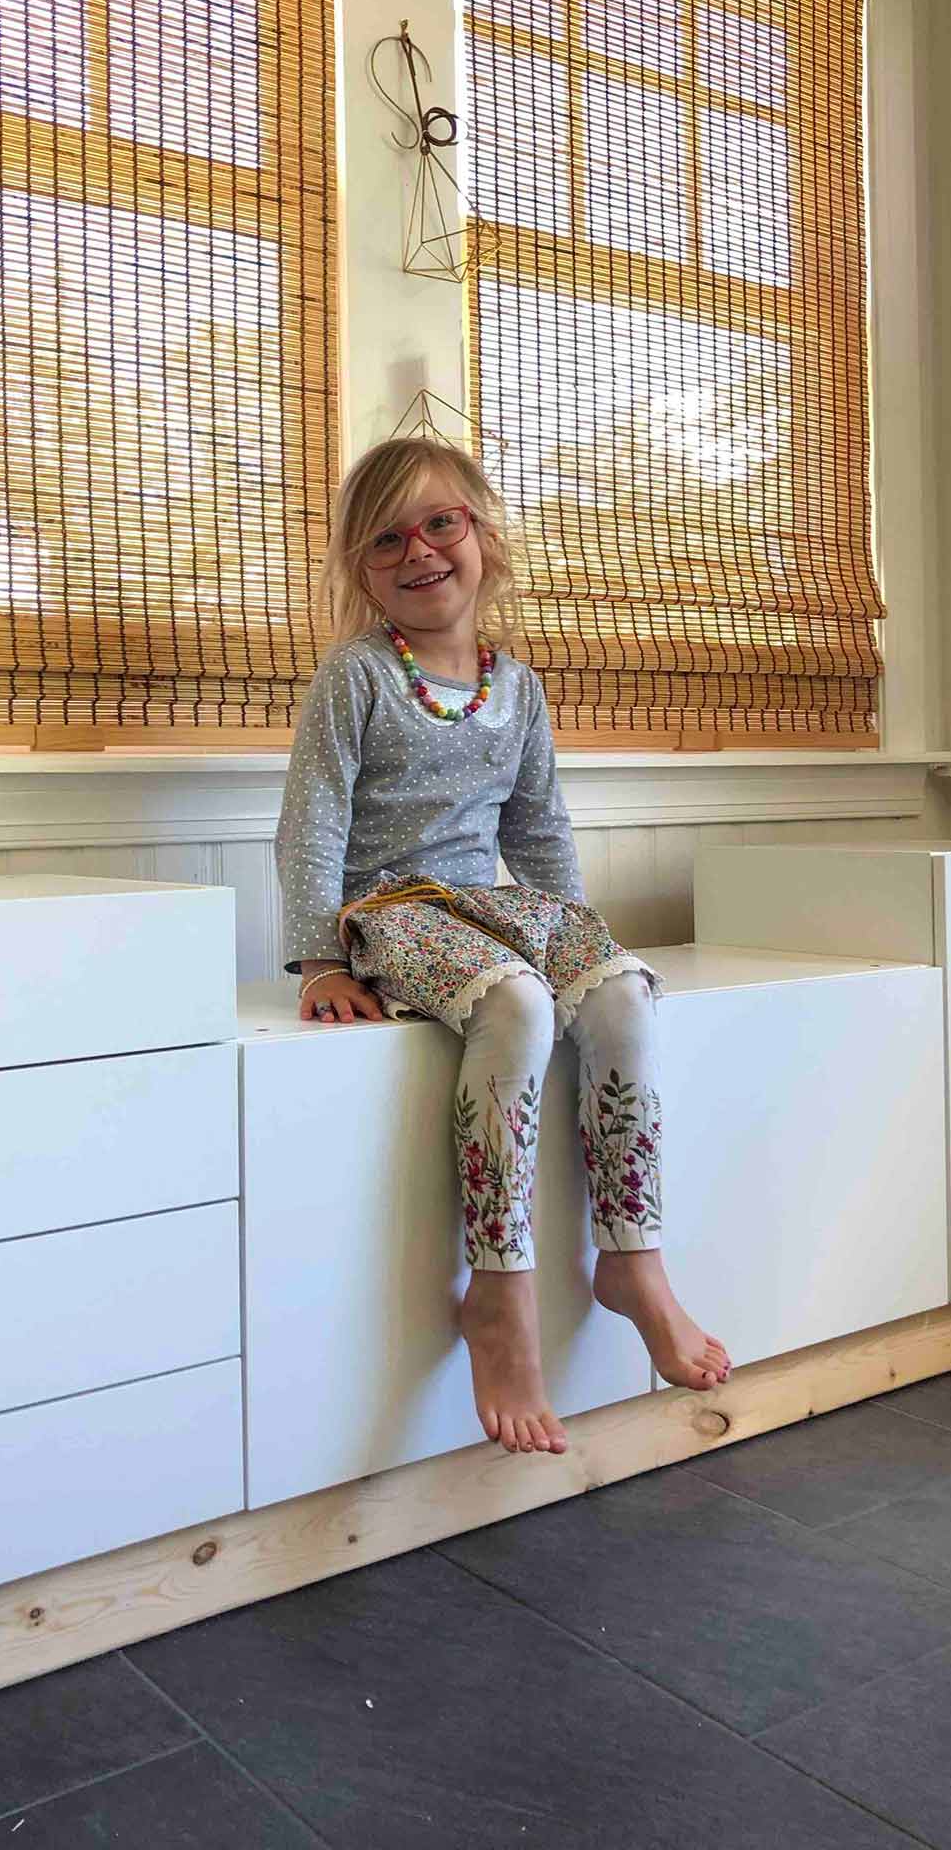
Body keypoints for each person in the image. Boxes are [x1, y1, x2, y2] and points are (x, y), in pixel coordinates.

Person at [275, 437, 731, 1456]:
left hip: (495, 909)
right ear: (361, 567)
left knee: (618, 993)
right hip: (394, 911)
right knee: (517, 1005)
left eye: (442, 523)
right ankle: (500, 1283)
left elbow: (539, 827)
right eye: (388, 537)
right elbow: (312, 823)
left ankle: (633, 1255)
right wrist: (322, 958)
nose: (420, 550)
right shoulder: (355, 676)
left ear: (484, 536)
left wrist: (578, 937)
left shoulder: (513, 685)